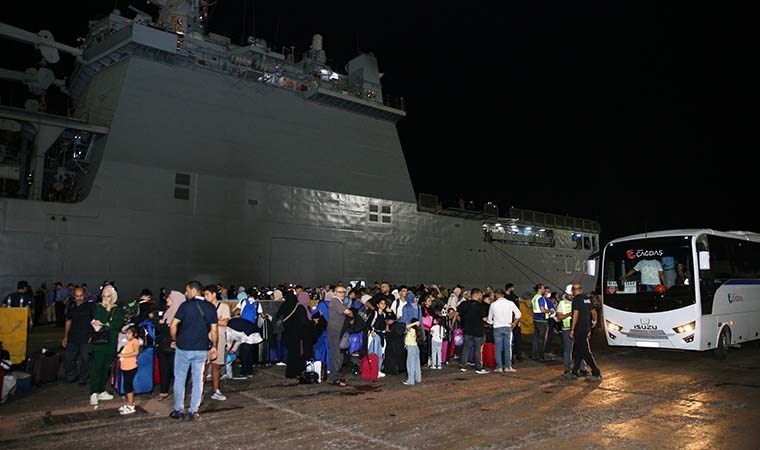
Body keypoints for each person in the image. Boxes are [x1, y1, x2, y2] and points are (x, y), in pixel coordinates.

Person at [170, 281, 218, 421]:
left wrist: (174, 340)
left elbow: (173, 325)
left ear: (193, 290)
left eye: (186, 290)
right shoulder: (210, 307)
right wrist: (214, 346)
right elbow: (214, 330)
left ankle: (178, 409)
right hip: (201, 348)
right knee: (198, 381)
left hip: (183, 347)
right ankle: (193, 410)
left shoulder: (185, 306)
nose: (185, 293)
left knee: (180, 379)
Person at [89, 285, 124, 406]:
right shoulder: (98, 307)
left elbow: (117, 324)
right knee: (97, 367)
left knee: (105, 368)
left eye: (108, 296)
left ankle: (101, 390)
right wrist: (108, 312)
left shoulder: (118, 309)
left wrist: (106, 323)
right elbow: (101, 319)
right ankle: (94, 392)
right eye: (104, 296)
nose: (106, 298)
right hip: (99, 343)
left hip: (111, 343)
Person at [567, 284, 602, 381]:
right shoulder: (586, 299)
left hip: (579, 329)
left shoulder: (576, 300)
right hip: (586, 328)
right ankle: (574, 372)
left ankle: (596, 373)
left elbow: (575, 314)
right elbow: (594, 312)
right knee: (578, 350)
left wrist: (572, 329)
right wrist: (593, 322)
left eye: (572, 290)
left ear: (574, 290)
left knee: (585, 351)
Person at [156, 290, 184, 401]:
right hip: (163, 346)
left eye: (169, 298)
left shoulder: (180, 315)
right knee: (164, 369)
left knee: (176, 371)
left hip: (174, 347)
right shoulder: (167, 312)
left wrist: (162, 325)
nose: (167, 300)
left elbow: (177, 330)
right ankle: (164, 391)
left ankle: (179, 392)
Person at [62, 287, 94, 384]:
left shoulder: (90, 307)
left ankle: (83, 378)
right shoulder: (71, 306)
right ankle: (71, 376)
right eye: (77, 296)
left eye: (81, 296)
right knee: (68, 358)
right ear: (74, 296)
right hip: (72, 337)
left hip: (85, 338)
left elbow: (95, 322)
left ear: (84, 296)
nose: (79, 298)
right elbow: (68, 321)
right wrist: (65, 336)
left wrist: (92, 335)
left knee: (86, 359)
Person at [204, 285, 229, 401]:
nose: (205, 297)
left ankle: (216, 390)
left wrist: (213, 320)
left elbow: (225, 322)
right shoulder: (203, 307)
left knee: (216, 366)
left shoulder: (223, 306)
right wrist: (217, 320)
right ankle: (200, 391)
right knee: (203, 366)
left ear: (214, 294)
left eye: (207, 294)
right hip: (205, 338)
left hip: (219, 338)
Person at [487, 288, 521, 373]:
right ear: (503, 294)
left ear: (496, 295)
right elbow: (518, 314)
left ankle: (499, 367)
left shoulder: (493, 305)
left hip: (497, 327)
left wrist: (491, 322)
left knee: (498, 348)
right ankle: (508, 366)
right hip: (507, 327)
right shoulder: (510, 303)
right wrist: (514, 323)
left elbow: (489, 320)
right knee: (508, 348)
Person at [278, 291, 309, 380]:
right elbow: (304, 322)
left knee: (290, 354)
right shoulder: (299, 307)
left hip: (287, 333)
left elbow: (278, 315)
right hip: (298, 334)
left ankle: (290, 372)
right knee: (297, 353)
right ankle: (297, 371)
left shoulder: (285, 305)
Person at [457, 288, 489, 374]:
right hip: (478, 331)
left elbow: (458, 315)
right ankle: (479, 367)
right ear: (477, 294)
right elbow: (485, 318)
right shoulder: (481, 306)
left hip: (467, 330)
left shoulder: (464, 304)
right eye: (480, 294)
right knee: (478, 350)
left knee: (466, 348)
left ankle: (463, 365)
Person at [326, 286, 352, 386]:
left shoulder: (340, 302)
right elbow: (347, 311)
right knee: (335, 354)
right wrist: (350, 312)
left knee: (338, 354)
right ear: (335, 293)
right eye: (340, 292)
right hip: (334, 330)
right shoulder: (335, 301)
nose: (342, 294)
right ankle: (333, 378)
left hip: (338, 330)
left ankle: (336, 375)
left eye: (343, 292)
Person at [118, 326, 140, 415]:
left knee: (128, 386)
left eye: (129, 333)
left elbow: (136, 352)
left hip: (130, 367)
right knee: (127, 385)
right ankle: (129, 403)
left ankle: (131, 405)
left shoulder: (135, 341)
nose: (127, 335)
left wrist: (124, 356)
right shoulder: (129, 342)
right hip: (125, 366)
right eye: (127, 333)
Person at [366, 297, 388, 377]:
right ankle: (372, 370)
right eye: (381, 303)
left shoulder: (384, 315)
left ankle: (378, 370)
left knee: (380, 353)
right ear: (378, 305)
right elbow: (368, 324)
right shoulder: (374, 314)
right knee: (374, 352)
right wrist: (371, 331)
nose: (383, 305)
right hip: (374, 335)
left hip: (381, 335)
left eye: (384, 304)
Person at [530, 284, 551, 361]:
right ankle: (541, 356)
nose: (544, 290)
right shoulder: (540, 298)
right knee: (541, 339)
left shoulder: (534, 297)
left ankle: (534, 354)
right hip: (542, 319)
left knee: (536, 338)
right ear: (540, 289)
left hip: (535, 318)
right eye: (543, 288)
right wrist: (550, 311)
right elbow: (542, 310)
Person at [504, 283, 523, 362]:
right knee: (509, 340)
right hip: (508, 320)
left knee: (517, 338)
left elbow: (518, 310)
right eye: (512, 288)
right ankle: (510, 357)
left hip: (515, 319)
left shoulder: (514, 297)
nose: (513, 289)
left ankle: (518, 354)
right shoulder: (505, 298)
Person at [403, 319, 422, 385]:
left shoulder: (411, 330)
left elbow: (406, 326)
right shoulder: (417, 331)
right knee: (417, 364)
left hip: (411, 348)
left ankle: (410, 381)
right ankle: (418, 378)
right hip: (416, 347)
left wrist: (414, 323)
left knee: (410, 364)